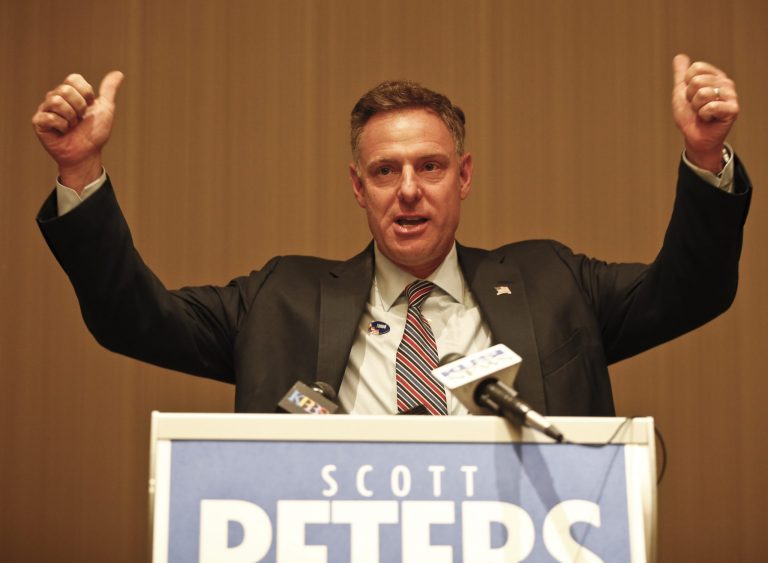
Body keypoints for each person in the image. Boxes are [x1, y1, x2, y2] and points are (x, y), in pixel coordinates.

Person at [32, 55, 751, 416]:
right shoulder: (283, 296)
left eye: (430, 166)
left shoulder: (553, 280)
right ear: (358, 186)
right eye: (385, 170)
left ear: (463, 176)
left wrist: (705, 157)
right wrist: (80, 169)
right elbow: (134, 318)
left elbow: (691, 291)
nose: (409, 188)